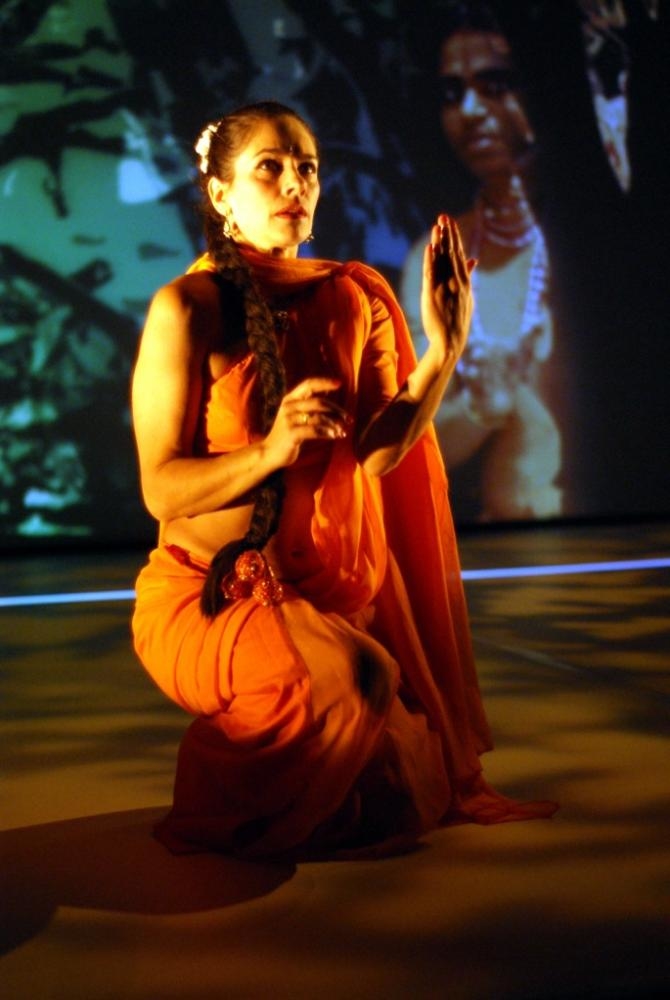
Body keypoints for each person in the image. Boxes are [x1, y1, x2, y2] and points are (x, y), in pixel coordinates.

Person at [131, 100, 556, 859]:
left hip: (316, 596)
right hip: (207, 595)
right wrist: (271, 451)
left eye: (308, 167)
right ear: (222, 194)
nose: (295, 182)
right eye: (270, 167)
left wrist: (444, 351)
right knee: (356, 678)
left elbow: (378, 456)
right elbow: (161, 490)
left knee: (405, 789)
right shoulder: (187, 309)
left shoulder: (351, 297)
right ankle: (215, 787)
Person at [401, 2, 562, 523]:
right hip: (502, 548)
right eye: (453, 94)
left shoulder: (605, 238)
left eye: (496, 85)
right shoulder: (436, 255)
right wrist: (483, 411)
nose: (471, 110)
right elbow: (409, 448)